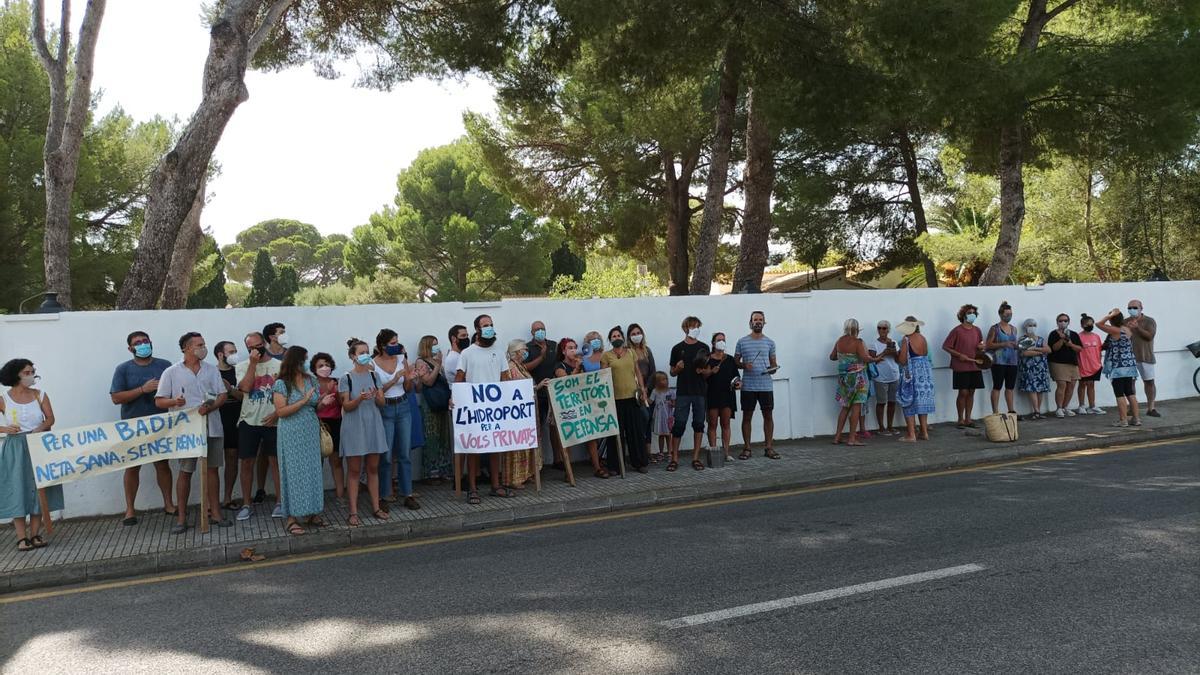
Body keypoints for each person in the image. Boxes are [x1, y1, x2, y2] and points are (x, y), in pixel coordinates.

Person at [156, 332, 230, 533]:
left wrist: (211, 407)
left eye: (204, 344)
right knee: (186, 472)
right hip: (186, 431)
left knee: (213, 470)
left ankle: (215, 513)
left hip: (212, 426)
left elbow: (222, 395)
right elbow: (160, 400)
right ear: (187, 348)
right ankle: (181, 518)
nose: (203, 347)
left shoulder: (211, 370)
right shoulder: (171, 372)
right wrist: (174, 402)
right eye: (199, 344)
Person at [109, 331, 175, 526]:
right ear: (130, 348)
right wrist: (142, 390)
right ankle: (130, 509)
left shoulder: (164, 365)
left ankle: (169, 504)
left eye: (145, 341)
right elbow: (116, 397)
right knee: (132, 467)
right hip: (133, 426)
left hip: (161, 424)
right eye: (138, 343)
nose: (143, 344)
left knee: (162, 464)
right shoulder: (123, 369)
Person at [1, 359, 63, 551]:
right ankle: (21, 537)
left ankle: (35, 534)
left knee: (40, 489)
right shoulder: (3, 398)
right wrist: (5, 429)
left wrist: (40, 428)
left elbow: (50, 418)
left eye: (32, 371)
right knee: (16, 487)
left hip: (38, 444)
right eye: (27, 372)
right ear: (16, 375)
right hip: (15, 447)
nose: (32, 375)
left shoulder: (40, 395)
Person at [272, 346, 328, 535]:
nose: (305, 363)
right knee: (293, 473)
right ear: (294, 361)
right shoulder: (281, 384)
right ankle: (291, 518)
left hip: (310, 430)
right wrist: (303, 401)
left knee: (312, 470)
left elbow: (315, 406)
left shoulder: (311, 380)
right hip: (291, 433)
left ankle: (312, 512)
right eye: (303, 359)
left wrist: (322, 402)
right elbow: (281, 412)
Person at [456, 314, 512, 503]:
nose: (489, 328)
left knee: (496, 446)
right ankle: (472, 488)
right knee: (474, 449)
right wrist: (455, 398)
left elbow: (505, 377)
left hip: (495, 409)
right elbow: (459, 378)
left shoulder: (499, 350)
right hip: (475, 408)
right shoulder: (467, 353)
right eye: (485, 325)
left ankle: (496, 485)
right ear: (478, 330)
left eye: (491, 324)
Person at [233, 332, 283, 522]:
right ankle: (247, 504)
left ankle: (280, 501)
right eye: (250, 348)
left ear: (265, 343)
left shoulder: (279, 366)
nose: (256, 350)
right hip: (249, 420)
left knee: (275, 462)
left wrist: (278, 413)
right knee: (246, 462)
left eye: (258, 345)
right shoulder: (242, 366)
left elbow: (286, 392)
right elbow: (245, 388)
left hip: (273, 420)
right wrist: (253, 364)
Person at [340, 338, 389, 526]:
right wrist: (359, 399)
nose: (365, 355)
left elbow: (382, 403)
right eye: (361, 353)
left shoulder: (375, 376)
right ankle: (353, 511)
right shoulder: (347, 378)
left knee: (373, 468)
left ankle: (376, 507)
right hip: (354, 427)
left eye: (367, 351)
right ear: (353, 356)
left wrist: (378, 396)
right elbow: (346, 405)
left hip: (373, 424)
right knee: (354, 470)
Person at [551, 339, 609, 479]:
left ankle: (597, 467)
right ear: (564, 351)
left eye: (574, 347)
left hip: (583, 406)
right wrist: (577, 369)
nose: (573, 350)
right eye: (569, 348)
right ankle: (568, 471)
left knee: (591, 436)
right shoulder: (559, 366)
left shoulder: (583, 363)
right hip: (567, 408)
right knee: (568, 438)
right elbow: (565, 382)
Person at [373, 329, 418, 511]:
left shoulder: (401, 359)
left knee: (404, 453)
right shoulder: (372, 364)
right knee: (386, 454)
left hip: (403, 406)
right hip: (385, 408)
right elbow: (377, 389)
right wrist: (395, 379)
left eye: (397, 342)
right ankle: (384, 494)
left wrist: (410, 379)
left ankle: (407, 493)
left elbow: (407, 388)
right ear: (382, 346)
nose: (396, 346)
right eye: (392, 343)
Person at [601, 326, 649, 473]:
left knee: (635, 431)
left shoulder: (631, 352)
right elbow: (603, 376)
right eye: (613, 336)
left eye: (618, 335)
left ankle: (639, 463)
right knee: (615, 434)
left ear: (622, 338)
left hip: (631, 397)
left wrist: (642, 390)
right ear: (610, 340)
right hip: (614, 400)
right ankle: (615, 466)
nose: (616, 338)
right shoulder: (606, 356)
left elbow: (637, 372)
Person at [734, 311, 779, 459]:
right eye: (755, 320)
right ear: (751, 322)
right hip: (748, 386)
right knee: (747, 417)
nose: (758, 322)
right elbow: (735, 362)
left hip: (765, 386)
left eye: (760, 320)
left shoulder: (770, 342)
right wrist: (744, 365)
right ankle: (747, 448)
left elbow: (773, 364)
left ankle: (769, 448)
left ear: (764, 322)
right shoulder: (742, 341)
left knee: (768, 416)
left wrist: (773, 369)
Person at [669, 316, 711, 472]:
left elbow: (708, 372)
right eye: (692, 326)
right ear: (685, 328)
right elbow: (672, 372)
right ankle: (674, 459)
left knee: (699, 425)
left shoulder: (704, 347)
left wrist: (703, 371)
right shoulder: (677, 348)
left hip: (700, 392)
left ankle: (696, 458)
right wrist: (677, 369)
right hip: (683, 392)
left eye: (697, 326)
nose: (695, 329)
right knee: (678, 425)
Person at [830, 319, 879, 446]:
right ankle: (852, 438)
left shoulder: (839, 341)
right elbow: (865, 358)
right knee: (856, 407)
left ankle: (837, 437)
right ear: (857, 329)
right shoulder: (858, 342)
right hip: (858, 378)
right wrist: (877, 358)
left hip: (843, 379)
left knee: (844, 407)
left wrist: (844, 359)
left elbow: (832, 357)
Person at [414, 335, 452, 483]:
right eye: (433, 345)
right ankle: (431, 472)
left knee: (444, 436)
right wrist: (437, 365)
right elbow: (428, 382)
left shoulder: (436, 361)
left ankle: (444, 469)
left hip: (441, 403)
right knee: (432, 437)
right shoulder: (420, 362)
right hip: (429, 404)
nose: (437, 347)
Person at [524, 321, 562, 468]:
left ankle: (557, 459)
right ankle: (536, 464)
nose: (540, 331)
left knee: (555, 427)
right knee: (537, 428)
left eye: (542, 329)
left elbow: (560, 363)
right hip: (537, 393)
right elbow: (525, 367)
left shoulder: (554, 345)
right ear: (532, 332)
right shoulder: (528, 348)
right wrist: (541, 356)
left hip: (554, 392)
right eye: (537, 329)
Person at [503, 339, 540, 488]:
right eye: (524, 349)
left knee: (527, 443)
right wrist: (536, 387)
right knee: (517, 445)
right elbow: (516, 388)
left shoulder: (521, 366)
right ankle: (514, 478)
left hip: (527, 411)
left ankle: (527, 473)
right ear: (516, 352)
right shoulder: (511, 367)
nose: (526, 352)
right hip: (517, 412)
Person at [1096, 309, 1141, 428]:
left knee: (1119, 394)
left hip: (1118, 367)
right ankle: (1136, 419)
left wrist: (1109, 315)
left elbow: (1098, 324)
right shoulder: (1127, 330)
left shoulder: (1115, 330)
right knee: (1130, 393)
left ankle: (1123, 420)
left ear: (1112, 320)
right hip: (1129, 365)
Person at [942, 304, 985, 428]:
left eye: (973, 313)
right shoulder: (957, 330)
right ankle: (960, 419)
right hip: (961, 366)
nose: (972, 315)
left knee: (971, 392)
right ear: (963, 315)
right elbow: (946, 346)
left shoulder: (977, 330)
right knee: (963, 392)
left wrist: (981, 347)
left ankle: (968, 419)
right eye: (969, 312)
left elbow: (980, 344)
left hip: (975, 365)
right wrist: (959, 354)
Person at [214, 341, 244, 511]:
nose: (235, 354)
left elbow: (245, 396)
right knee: (213, 463)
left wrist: (230, 390)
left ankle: (227, 498)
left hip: (236, 418)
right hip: (216, 418)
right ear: (220, 354)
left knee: (232, 458)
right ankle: (212, 502)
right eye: (231, 351)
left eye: (235, 350)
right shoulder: (210, 372)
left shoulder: (240, 371)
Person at [312, 352, 346, 500]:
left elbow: (343, 403)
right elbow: (311, 406)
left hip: (336, 423)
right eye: (320, 366)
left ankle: (340, 495)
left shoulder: (338, 382)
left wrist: (337, 391)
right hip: (318, 424)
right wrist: (326, 391)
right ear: (314, 368)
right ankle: (316, 497)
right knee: (316, 462)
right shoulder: (311, 384)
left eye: (327, 365)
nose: (324, 368)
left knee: (336, 461)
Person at [895, 317, 935, 442]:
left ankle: (911, 434)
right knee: (921, 401)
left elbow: (902, 360)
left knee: (908, 400)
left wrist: (895, 354)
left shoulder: (906, 339)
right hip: (925, 372)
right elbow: (926, 353)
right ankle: (924, 432)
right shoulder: (923, 338)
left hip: (912, 372)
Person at [704, 332, 740, 462]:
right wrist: (711, 372)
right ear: (713, 343)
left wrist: (738, 383)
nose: (721, 342)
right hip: (712, 395)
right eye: (719, 340)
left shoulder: (729, 359)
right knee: (712, 424)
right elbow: (702, 376)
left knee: (726, 424)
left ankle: (726, 453)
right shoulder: (708, 359)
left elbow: (736, 376)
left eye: (723, 340)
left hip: (727, 395)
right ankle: (714, 452)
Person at [626, 323, 657, 461]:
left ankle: (648, 451)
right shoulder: (627, 351)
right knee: (640, 419)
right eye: (633, 334)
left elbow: (653, 371)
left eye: (638, 333)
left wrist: (647, 388)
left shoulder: (647, 350)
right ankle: (639, 450)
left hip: (647, 391)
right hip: (633, 391)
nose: (636, 336)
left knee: (648, 419)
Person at [985, 301, 1019, 415]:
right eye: (1006, 314)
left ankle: (1011, 410)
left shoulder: (1014, 329)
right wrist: (1003, 344)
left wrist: (1018, 346)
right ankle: (995, 412)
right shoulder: (995, 328)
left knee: (1010, 387)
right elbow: (988, 345)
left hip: (1012, 361)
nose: (1009, 316)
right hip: (998, 361)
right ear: (1000, 314)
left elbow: (1014, 343)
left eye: (1010, 314)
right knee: (997, 386)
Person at [1126, 299, 1159, 417]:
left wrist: (1137, 328)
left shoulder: (1149, 321)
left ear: (1141, 308)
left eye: (1135, 307)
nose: (1132, 310)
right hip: (1129, 358)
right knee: (1130, 383)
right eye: (1129, 308)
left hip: (1146, 356)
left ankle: (1151, 408)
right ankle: (1132, 407)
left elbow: (1150, 336)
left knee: (1149, 382)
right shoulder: (1125, 322)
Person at [1047, 313, 1083, 418]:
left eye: (1065, 320)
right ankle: (1058, 408)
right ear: (1057, 322)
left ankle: (1065, 407)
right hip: (1058, 363)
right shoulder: (1053, 334)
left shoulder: (1074, 334)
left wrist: (1070, 343)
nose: (1063, 322)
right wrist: (1062, 339)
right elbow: (1054, 348)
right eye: (1060, 320)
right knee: (1062, 385)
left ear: (1069, 322)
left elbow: (1080, 349)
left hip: (1072, 363)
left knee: (1071, 385)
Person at [868, 320, 900, 435]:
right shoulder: (873, 344)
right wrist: (884, 353)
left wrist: (894, 352)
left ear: (888, 330)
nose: (881, 330)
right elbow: (871, 361)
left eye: (884, 328)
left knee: (892, 402)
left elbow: (899, 360)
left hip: (894, 376)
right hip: (880, 378)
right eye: (879, 328)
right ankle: (881, 428)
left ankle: (890, 426)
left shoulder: (894, 342)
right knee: (881, 402)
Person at [1017, 319, 1051, 420]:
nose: (1032, 327)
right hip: (1029, 368)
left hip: (1041, 368)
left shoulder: (1040, 339)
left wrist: (1035, 349)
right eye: (1029, 325)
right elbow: (1024, 353)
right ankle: (1036, 410)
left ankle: (1038, 411)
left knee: (1040, 390)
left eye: (1033, 325)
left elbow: (1048, 350)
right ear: (1025, 327)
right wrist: (1041, 352)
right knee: (1032, 389)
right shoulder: (1023, 339)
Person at [1076, 314, 1106, 415]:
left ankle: (1092, 406)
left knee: (1091, 385)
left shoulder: (1096, 336)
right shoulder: (1078, 337)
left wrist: (1099, 362)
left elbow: (1099, 349)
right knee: (1082, 384)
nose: (1089, 326)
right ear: (1082, 325)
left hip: (1095, 365)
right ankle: (1081, 406)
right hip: (1083, 365)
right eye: (1087, 324)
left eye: (1091, 324)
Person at [647, 371, 675, 462]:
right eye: (663, 379)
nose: (665, 381)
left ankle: (670, 452)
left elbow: (674, 403)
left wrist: (672, 403)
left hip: (668, 415)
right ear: (657, 382)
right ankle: (661, 452)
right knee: (661, 435)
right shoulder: (655, 391)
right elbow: (650, 401)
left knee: (668, 434)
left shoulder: (670, 391)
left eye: (666, 379)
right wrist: (643, 396)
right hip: (659, 416)